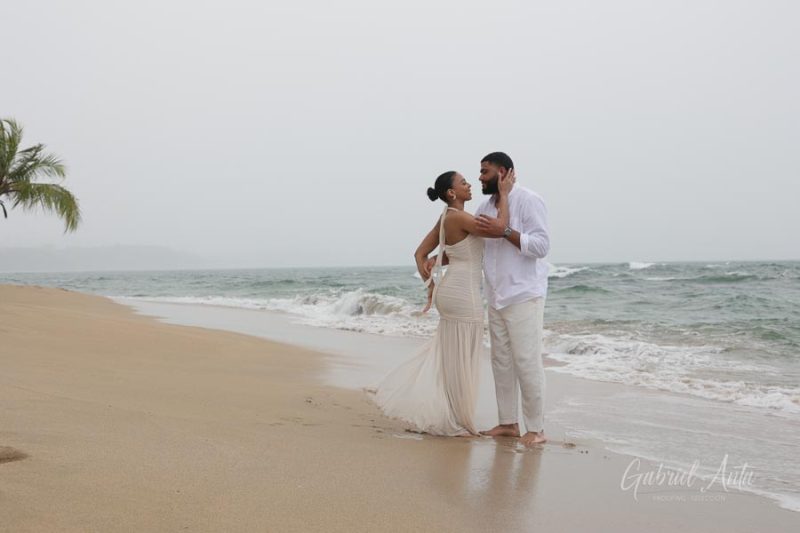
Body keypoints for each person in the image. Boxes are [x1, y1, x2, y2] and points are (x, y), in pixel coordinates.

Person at [366, 169, 513, 436]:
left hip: (452, 291)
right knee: (461, 357)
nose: (470, 185)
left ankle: (454, 415)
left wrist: (432, 288)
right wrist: (503, 194)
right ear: (451, 193)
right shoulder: (460, 218)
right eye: (464, 183)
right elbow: (501, 228)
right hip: (463, 293)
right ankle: (456, 419)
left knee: (453, 356)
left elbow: (420, 254)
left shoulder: (446, 217)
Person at [473, 152, 551, 446]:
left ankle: (536, 429)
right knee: (501, 362)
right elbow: (477, 246)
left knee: (527, 361)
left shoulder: (529, 200)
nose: (480, 177)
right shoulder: (484, 206)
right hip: (495, 295)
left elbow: (541, 246)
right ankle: (508, 423)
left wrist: (505, 231)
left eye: (485, 171)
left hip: (524, 294)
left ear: (504, 172)